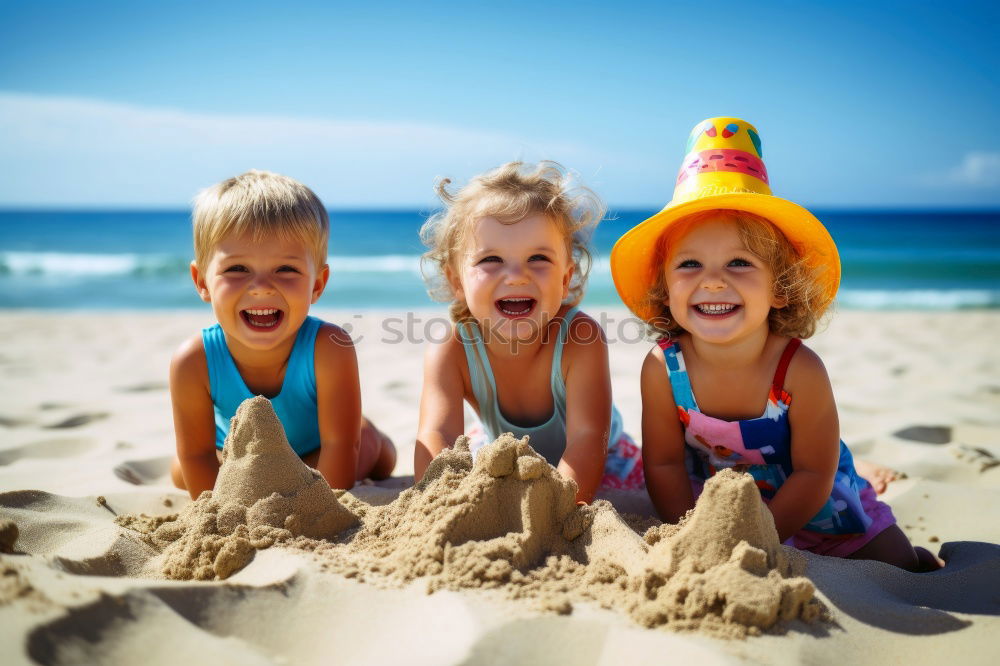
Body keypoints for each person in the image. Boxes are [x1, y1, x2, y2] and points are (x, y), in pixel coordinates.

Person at [611, 118, 938, 571]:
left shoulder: (798, 369)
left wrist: (761, 537)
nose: (712, 280)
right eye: (689, 264)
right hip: (721, 499)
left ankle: (921, 558)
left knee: (898, 563)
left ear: (780, 288)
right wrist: (689, 530)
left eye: (739, 263)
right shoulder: (664, 366)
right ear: (665, 289)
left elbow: (815, 473)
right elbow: (664, 464)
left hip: (817, 506)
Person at [414, 161, 643, 503]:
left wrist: (558, 509)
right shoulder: (452, 349)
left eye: (538, 258)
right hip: (501, 454)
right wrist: (441, 499)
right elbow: (437, 434)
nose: (517, 276)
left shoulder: (580, 339)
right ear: (457, 281)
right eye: (491, 260)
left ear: (565, 279)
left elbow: (587, 437)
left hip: (601, 460)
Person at [169, 169, 395, 498]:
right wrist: (218, 511)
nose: (261, 287)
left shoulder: (329, 348)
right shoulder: (193, 360)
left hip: (312, 451)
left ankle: (372, 436)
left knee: (375, 451)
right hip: (236, 455)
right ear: (202, 281)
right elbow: (197, 454)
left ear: (317, 284)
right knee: (181, 470)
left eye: (286, 269)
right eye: (237, 269)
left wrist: (317, 508)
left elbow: (339, 446)